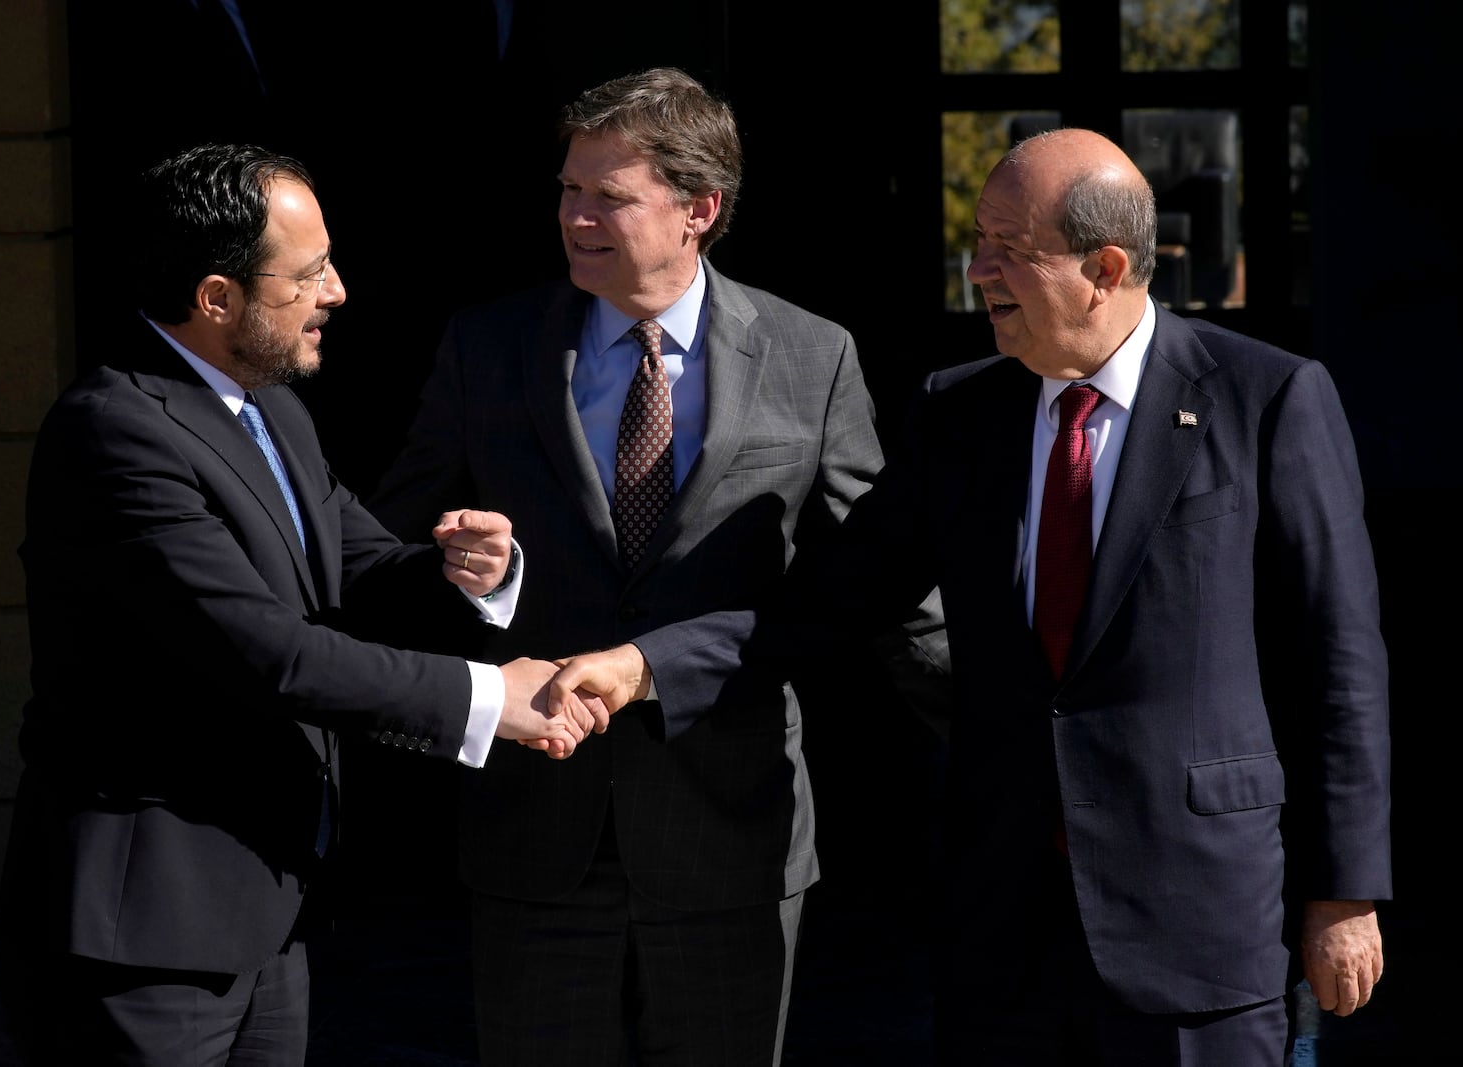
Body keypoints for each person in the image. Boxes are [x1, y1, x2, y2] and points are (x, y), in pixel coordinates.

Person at [564, 126, 1391, 1065]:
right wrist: (643, 667)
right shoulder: (960, 415)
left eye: (1011, 250)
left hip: (1197, 924)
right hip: (1003, 930)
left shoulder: (1267, 398)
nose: (978, 271)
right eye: (977, 243)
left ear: (1105, 267)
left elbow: (1340, 662)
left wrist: (1345, 895)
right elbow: (826, 603)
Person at [366, 66, 942, 1066]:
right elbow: (383, 550)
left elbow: (881, 578)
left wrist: (1011, 737)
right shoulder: (488, 347)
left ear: (698, 209)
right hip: (534, 828)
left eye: (607, 195)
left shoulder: (813, 356)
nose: (573, 215)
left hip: (730, 834)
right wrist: (467, 572)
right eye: (566, 189)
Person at [0, 142, 598, 1065]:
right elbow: (270, 652)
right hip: (142, 935)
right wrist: (490, 700)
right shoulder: (115, 432)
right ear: (216, 298)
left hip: (266, 910)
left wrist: (465, 571)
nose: (339, 291)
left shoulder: (269, 407)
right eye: (308, 273)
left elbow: (353, 569)